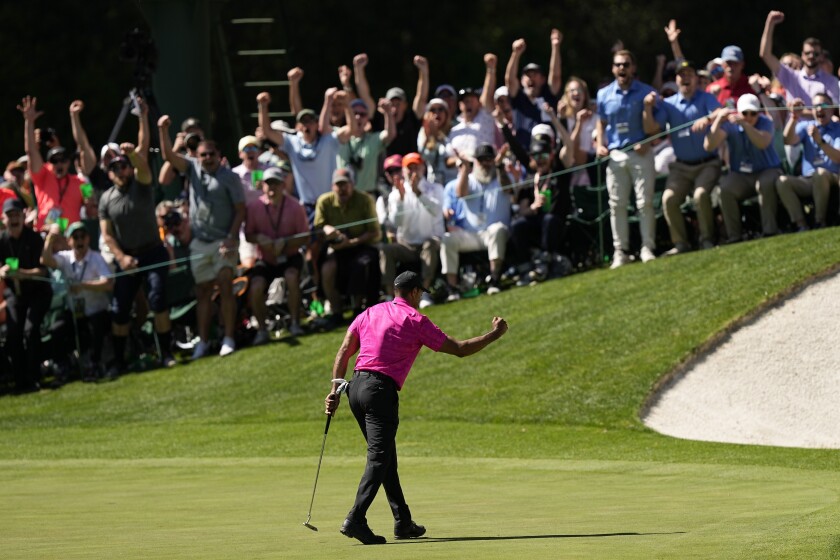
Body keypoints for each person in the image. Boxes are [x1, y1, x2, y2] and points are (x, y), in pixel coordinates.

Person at [324, 270, 508, 545]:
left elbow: (344, 350)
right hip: (380, 392)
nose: (421, 299)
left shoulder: (370, 312)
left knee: (387, 458)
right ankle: (356, 519)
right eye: (421, 293)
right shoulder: (415, 320)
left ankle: (403, 521)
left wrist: (334, 390)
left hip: (355, 388)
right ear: (413, 292)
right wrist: (495, 334)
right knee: (379, 458)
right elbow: (459, 348)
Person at [158, 116, 246, 358]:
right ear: (198, 155)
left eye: (211, 154)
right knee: (202, 291)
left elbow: (240, 210)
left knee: (226, 284)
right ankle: (204, 342)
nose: (207, 158)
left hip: (223, 241)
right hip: (200, 242)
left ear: (218, 154)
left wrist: (231, 238)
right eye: (203, 154)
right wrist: (163, 130)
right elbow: (168, 157)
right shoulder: (192, 167)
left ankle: (228, 338)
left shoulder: (230, 177)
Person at [99, 137, 177, 376]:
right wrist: (121, 258)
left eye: (123, 166)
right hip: (128, 257)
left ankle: (166, 353)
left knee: (157, 298)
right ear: (109, 173)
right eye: (115, 168)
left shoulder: (141, 185)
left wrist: (133, 155)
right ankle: (120, 362)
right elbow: (107, 235)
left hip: (153, 251)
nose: (120, 171)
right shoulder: (106, 199)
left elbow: (143, 170)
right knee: (120, 309)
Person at [643, 60, 722, 253]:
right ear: (676, 79)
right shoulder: (669, 105)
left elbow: (721, 112)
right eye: (681, 75)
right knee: (668, 199)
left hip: (707, 163)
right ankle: (680, 243)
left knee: (701, 195)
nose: (685, 78)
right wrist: (647, 107)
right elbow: (653, 129)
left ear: (696, 78)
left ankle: (706, 239)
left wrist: (708, 118)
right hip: (681, 167)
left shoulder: (706, 98)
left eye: (689, 74)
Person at [595, 50, 661, 268]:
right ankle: (620, 251)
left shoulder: (646, 92)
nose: (622, 68)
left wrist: (649, 140)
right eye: (617, 65)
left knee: (644, 203)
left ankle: (647, 247)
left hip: (641, 153)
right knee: (616, 205)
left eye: (626, 64)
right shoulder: (604, 95)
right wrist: (599, 145)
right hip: (616, 154)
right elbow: (601, 123)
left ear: (633, 67)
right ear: (613, 68)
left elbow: (655, 126)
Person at [704, 93, 783, 242]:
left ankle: (770, 231)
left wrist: (745, 125)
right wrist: (718, 121)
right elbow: (709, 146)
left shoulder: (766, 122)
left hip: (768, 169)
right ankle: (735, 236)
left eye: (753, 113)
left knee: (764, 184)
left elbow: (762, 143)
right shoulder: (730, 126)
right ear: (738, 112)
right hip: (741, 175)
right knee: (725, 189)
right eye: (745, 113)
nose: (749, 116)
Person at [244, 166, 309, 344]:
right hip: (266, 258)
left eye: (276, 183)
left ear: (282, 185)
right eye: (268, 183)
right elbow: (249, 234)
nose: (272, 187)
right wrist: (260, 238)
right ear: (263, 186)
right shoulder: (254, 207)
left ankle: (295, 323)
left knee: (291, 276)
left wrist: (286, 242)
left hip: (290, 255)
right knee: (256, 285)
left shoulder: (295, 206)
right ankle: (262, 330)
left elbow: (305, 236)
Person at [41, 221, 113, 381]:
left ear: (88, 239)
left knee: (96, 326)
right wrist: (50, 239)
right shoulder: (66, 258)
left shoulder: (96, 258)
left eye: (83, 236)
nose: (80, 240)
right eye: (76, 237)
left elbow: (108, 283)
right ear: (69, 241)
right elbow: (46, 261)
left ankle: (94, 364)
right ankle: (63, 365)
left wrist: (83, 286)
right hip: (75, 312)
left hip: (96, 311)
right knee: (56, 330)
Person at [440, 143, 512, 297]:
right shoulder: (469, 178)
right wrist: (465, 168)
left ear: (494, 160)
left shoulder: (501, 175)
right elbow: (460, 192)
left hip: (493, 233)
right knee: (447, 239)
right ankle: (452, 289)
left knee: (497, 229)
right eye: (481, 160)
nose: (485, 163)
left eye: (489, 159)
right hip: (471, 235)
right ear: (476, 162)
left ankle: (494, 280)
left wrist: (499, 167)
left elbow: (508, 188)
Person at [313, 168, 381, 330]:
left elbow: (374, 231)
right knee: (326, 269)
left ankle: (358, 309)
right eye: (338, 185)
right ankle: (337, 312)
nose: (342, 188)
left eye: (345, 184)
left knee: (361, 264)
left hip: (362, 245)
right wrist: (328, 230)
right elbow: (318, 227)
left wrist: (351, 242)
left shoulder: (365, 200)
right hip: (336, 248)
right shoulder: (324, 201)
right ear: (332, 186)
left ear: (352, 184)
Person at [0, 199, 52, 393]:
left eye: (17, 215)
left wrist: (22, 273)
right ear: (4, 219)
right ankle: (19, 381)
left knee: (31, 330)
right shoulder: (2, 240)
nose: (14, 219)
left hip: (38, 292)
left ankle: (34, 377)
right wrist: (3, 271)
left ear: (23, 216)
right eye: (10, 215)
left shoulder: (34, 238)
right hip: (15, 293)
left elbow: (43, 272)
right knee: (13, 334)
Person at [379, 153, 444, 307]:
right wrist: (401, 199)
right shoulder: (396, 193)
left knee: (429, 246)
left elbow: (436, 211)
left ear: (423, 168)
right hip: (406, 244)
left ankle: (424, 295)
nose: (413, 171)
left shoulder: (435, 188)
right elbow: (397, 222)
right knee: (386, 250)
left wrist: (418, 194)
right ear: (404, 170)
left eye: (416, 167)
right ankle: (390, 297)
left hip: (429, 240)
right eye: (409, 168)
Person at [17, 96, 83, 231]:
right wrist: (29, 122)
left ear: (69, 162)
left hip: (72, 241)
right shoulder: (43, 175)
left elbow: (92, 204)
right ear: (49, 162)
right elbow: (31, 152)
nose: (59, 164)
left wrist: (90, 204)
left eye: (63, 160)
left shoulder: (81, 183)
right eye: (54, 160)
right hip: (46, 237)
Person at [778, 93, 840, 230]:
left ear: (831, 109)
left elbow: (838, 157)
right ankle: (801, 225)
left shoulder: (838, 128)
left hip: (832, 177)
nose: (819, 109)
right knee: (782, 182)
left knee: (820, 173)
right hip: (808, 180)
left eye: (824, 105)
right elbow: (788, 140)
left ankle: (819, 221)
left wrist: (820, 141)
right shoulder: (806, 126)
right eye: (816, 106)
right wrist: (794, 117)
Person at [760, 11, 840, 105]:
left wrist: (801, 112)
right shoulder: (791, 76)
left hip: (819, 120)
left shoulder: (831, 81)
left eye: (816, 54)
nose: (811, 56)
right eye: (807, 53)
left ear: (822, 56)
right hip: (794, 120)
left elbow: (832, 110)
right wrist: (770, 23)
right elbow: (765, 55)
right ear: (802, 55)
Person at [504, 29, 563, 148]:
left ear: (543, 79)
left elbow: (556, 76)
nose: (531, 78)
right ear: (521, 81)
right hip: (524, 155)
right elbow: (509, 80)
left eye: (535, 74)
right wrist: (515, 54)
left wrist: (555, 46)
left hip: (548, 154)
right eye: (527, 75)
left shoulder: (548, 96)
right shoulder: (518, 98)